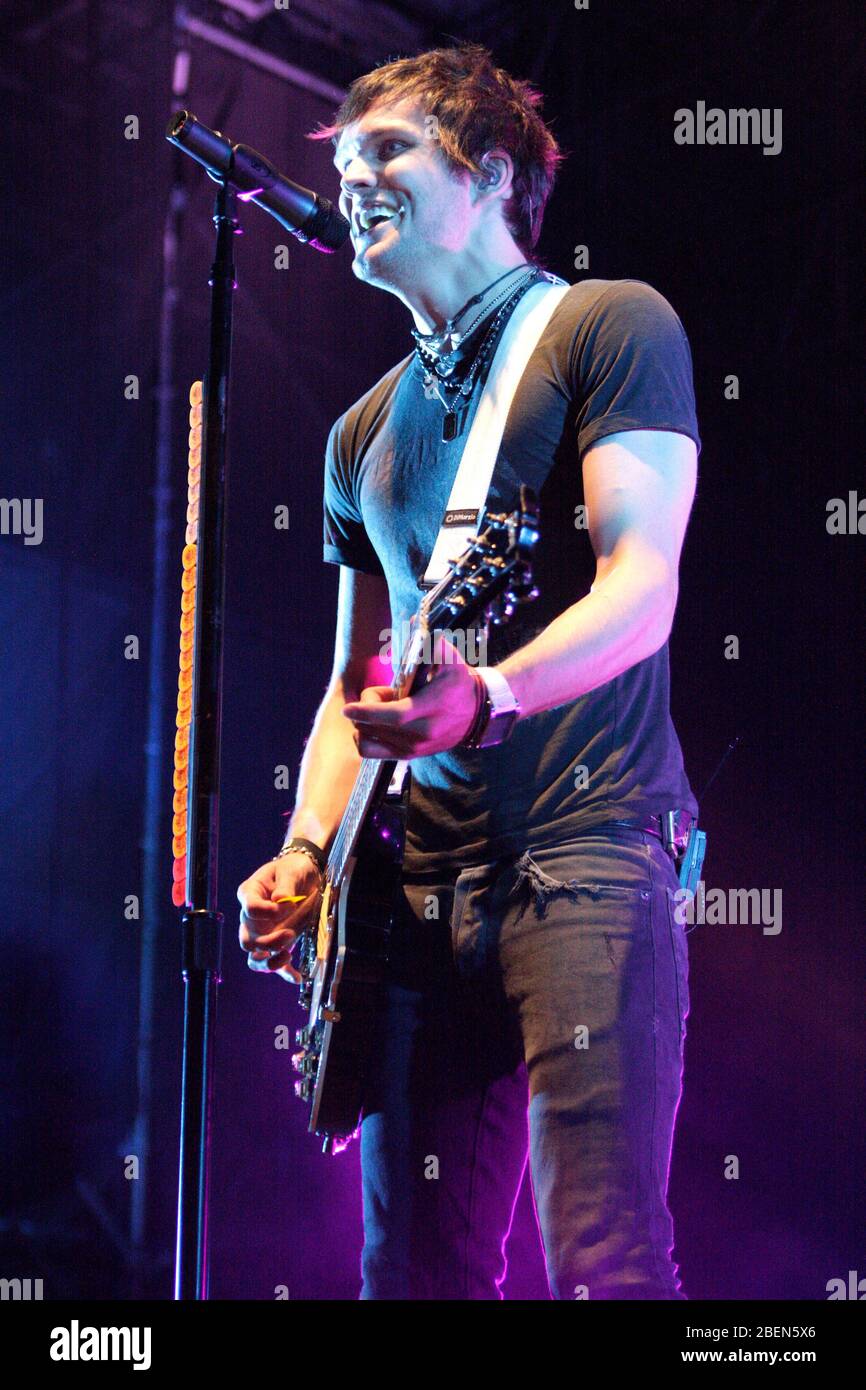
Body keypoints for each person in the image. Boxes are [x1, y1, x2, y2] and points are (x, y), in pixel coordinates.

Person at [237, 42, 699, 1300]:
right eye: (341, 160)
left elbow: (640, 585)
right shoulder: (360, 434)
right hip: (414, 891)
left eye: (385, 150)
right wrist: (303, 847)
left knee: (602, 1251)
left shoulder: (609, 323)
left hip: (586, 843)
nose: (350, 177)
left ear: (489, 172)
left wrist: (489, 694)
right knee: (411, 1272)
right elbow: (358, 691)